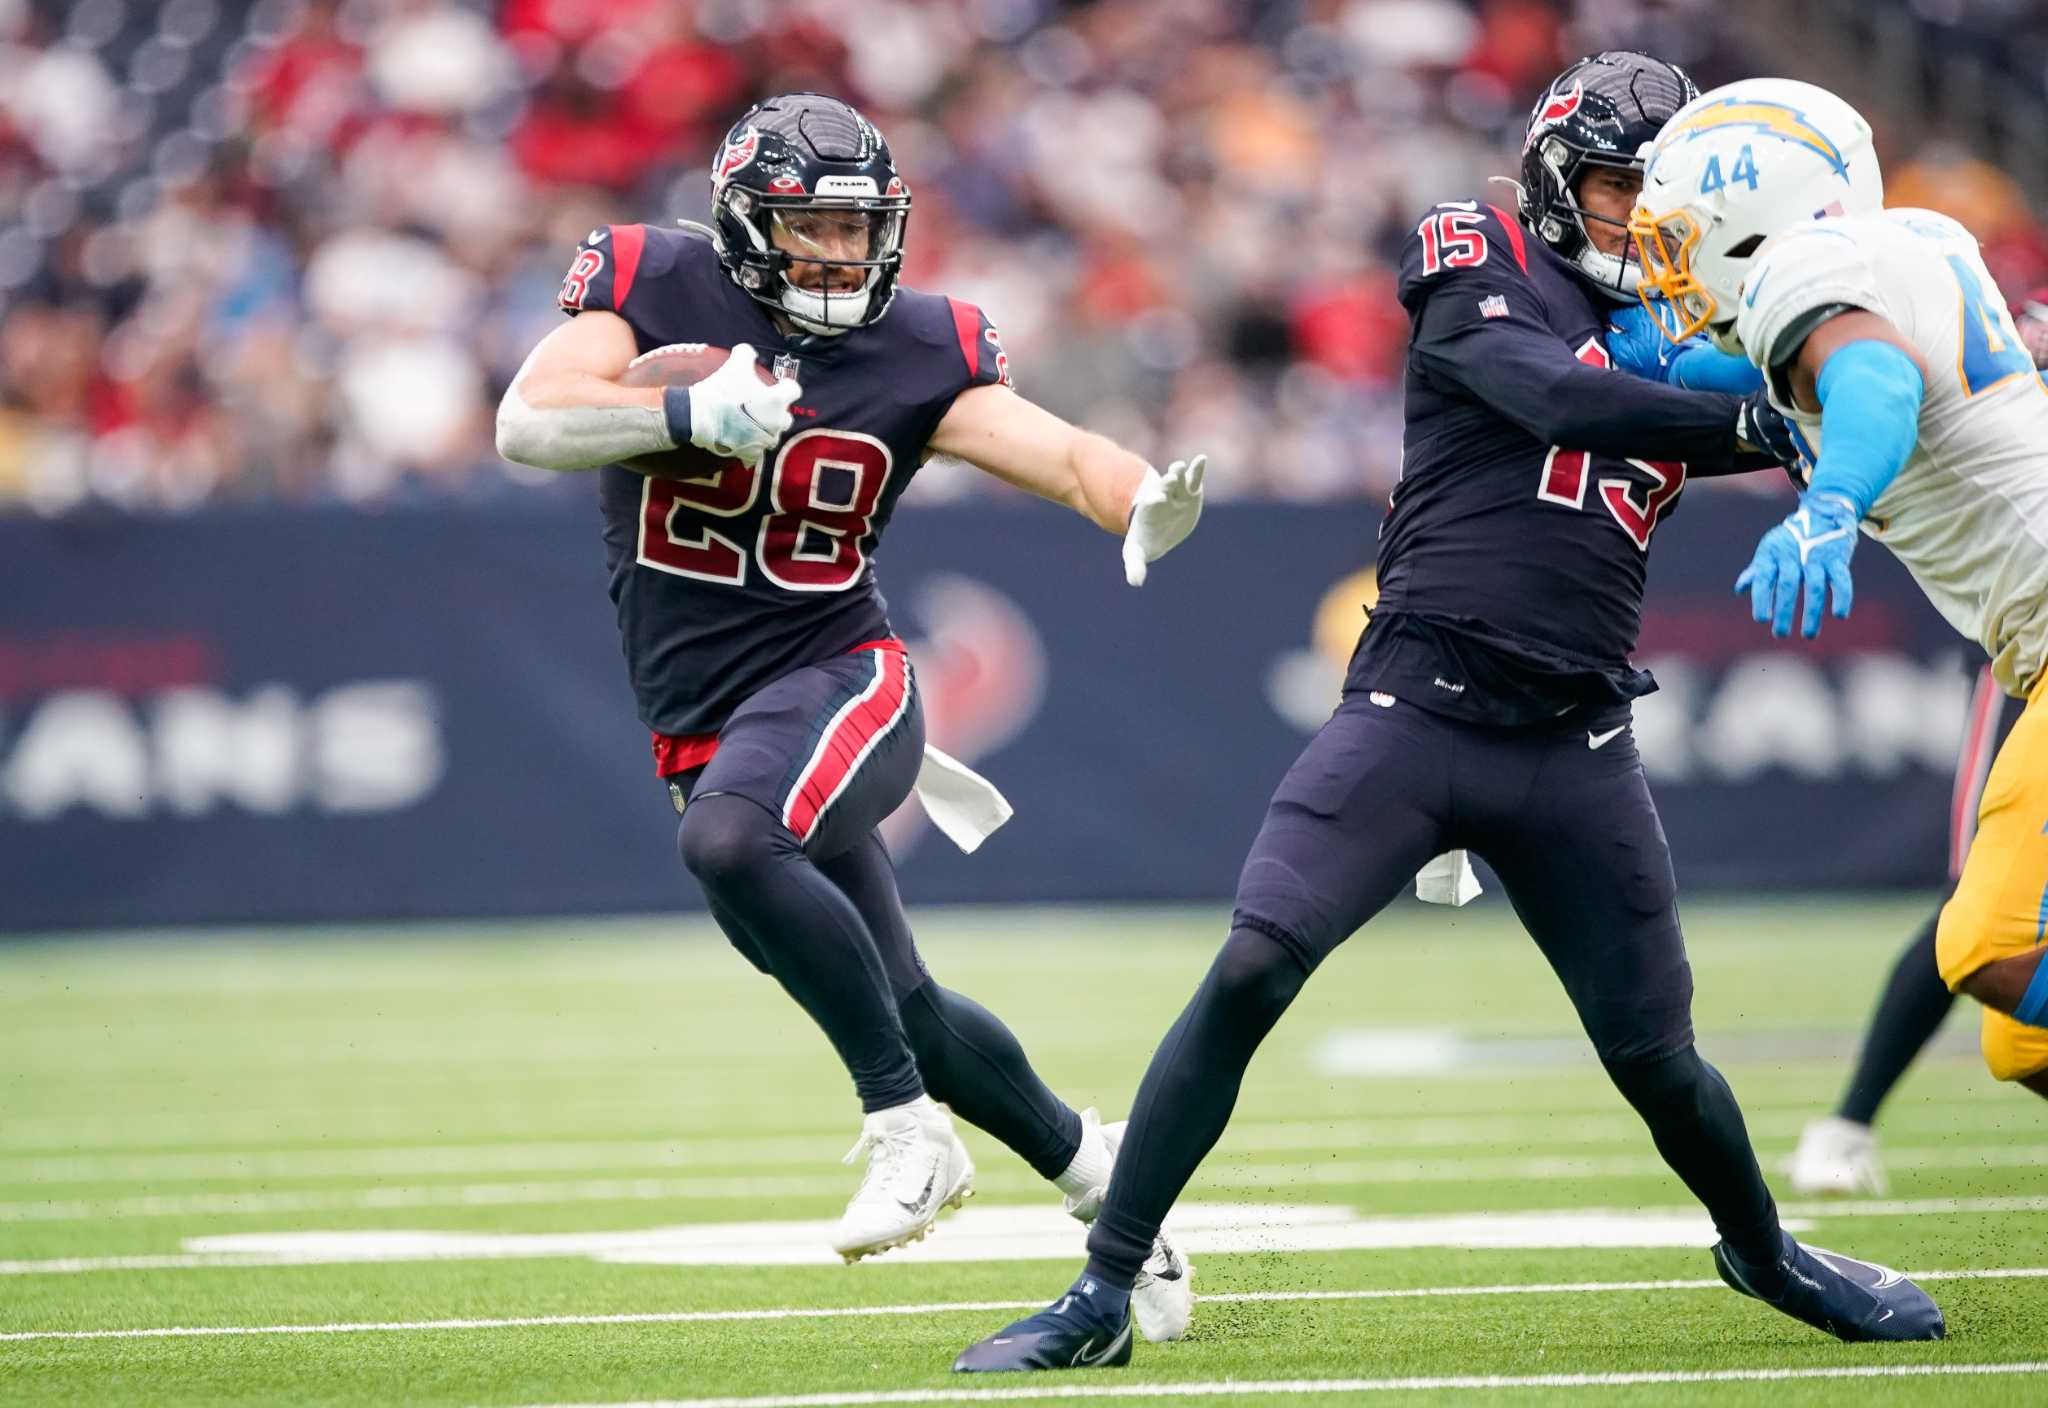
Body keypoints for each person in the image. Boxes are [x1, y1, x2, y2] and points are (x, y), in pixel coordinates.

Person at [954, 52, 1942, 1375]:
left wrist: (1840, 388)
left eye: (1660, 200)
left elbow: (1845, 383)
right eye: (1611, 189)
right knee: (1253, 963)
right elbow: (1555, 396)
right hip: (1414, 710)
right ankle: (1103, 1289)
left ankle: (1764, 1251)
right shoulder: (1475, 252)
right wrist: (1770, 421)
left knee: (1661, 1062)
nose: (1635, 223)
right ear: (1549, 180)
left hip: (1576, 741)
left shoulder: (1696, 323)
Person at [494, 93, 1199, 1338]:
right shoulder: (651, 281)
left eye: (857, 227)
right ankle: (1110, 1191)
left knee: (727, 843)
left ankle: (903, 1131)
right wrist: (679, 414)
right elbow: (525, 421)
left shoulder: (919, 345)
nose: (839, 252)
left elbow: (1046, 447)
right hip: (702, 714)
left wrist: (1134, 494)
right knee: (909, 1008)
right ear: (744, 223)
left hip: (842, 672)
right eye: (813, 226)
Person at [1631, 78, 2048, 1098]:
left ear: (1750, 212)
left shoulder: (1798, 267)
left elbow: (1875, 381)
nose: (1667, 265)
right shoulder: (1900, 245)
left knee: (1985, 943)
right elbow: (1720, 370)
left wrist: (1826, 507)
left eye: (1681, 234)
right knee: (2025, 1039)